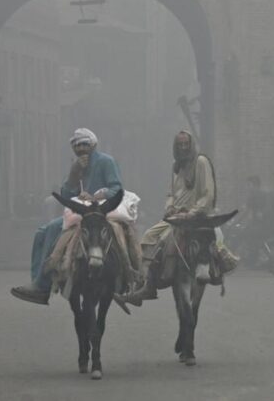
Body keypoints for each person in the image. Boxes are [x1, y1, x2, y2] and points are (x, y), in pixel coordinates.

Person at [11, 128, 122, 305]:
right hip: (79, 212)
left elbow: (116, 188)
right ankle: (40, 283)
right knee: (42, 232)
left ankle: (129, 276)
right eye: (77, 146)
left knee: (123, 236)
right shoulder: (76, 165)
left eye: (84, 144)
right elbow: (66, 193)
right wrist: (74, 173)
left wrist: (95, 196)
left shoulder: (106, 162)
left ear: (93, 144)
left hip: (101, 212)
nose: (81, 149)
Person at [115, 130, 215, 307]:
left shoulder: (201, 162)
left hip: (197, 217)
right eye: (180, 145)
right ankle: (146, 285)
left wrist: (191, 212)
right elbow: (171, 193)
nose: (183, 147)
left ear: (191, 145)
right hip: (176, 216)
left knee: (202, 242)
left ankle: (214, 269)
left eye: (186, 144)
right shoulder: (176, 166)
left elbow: (207, 194)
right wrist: (169, 207)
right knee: (148, 237)